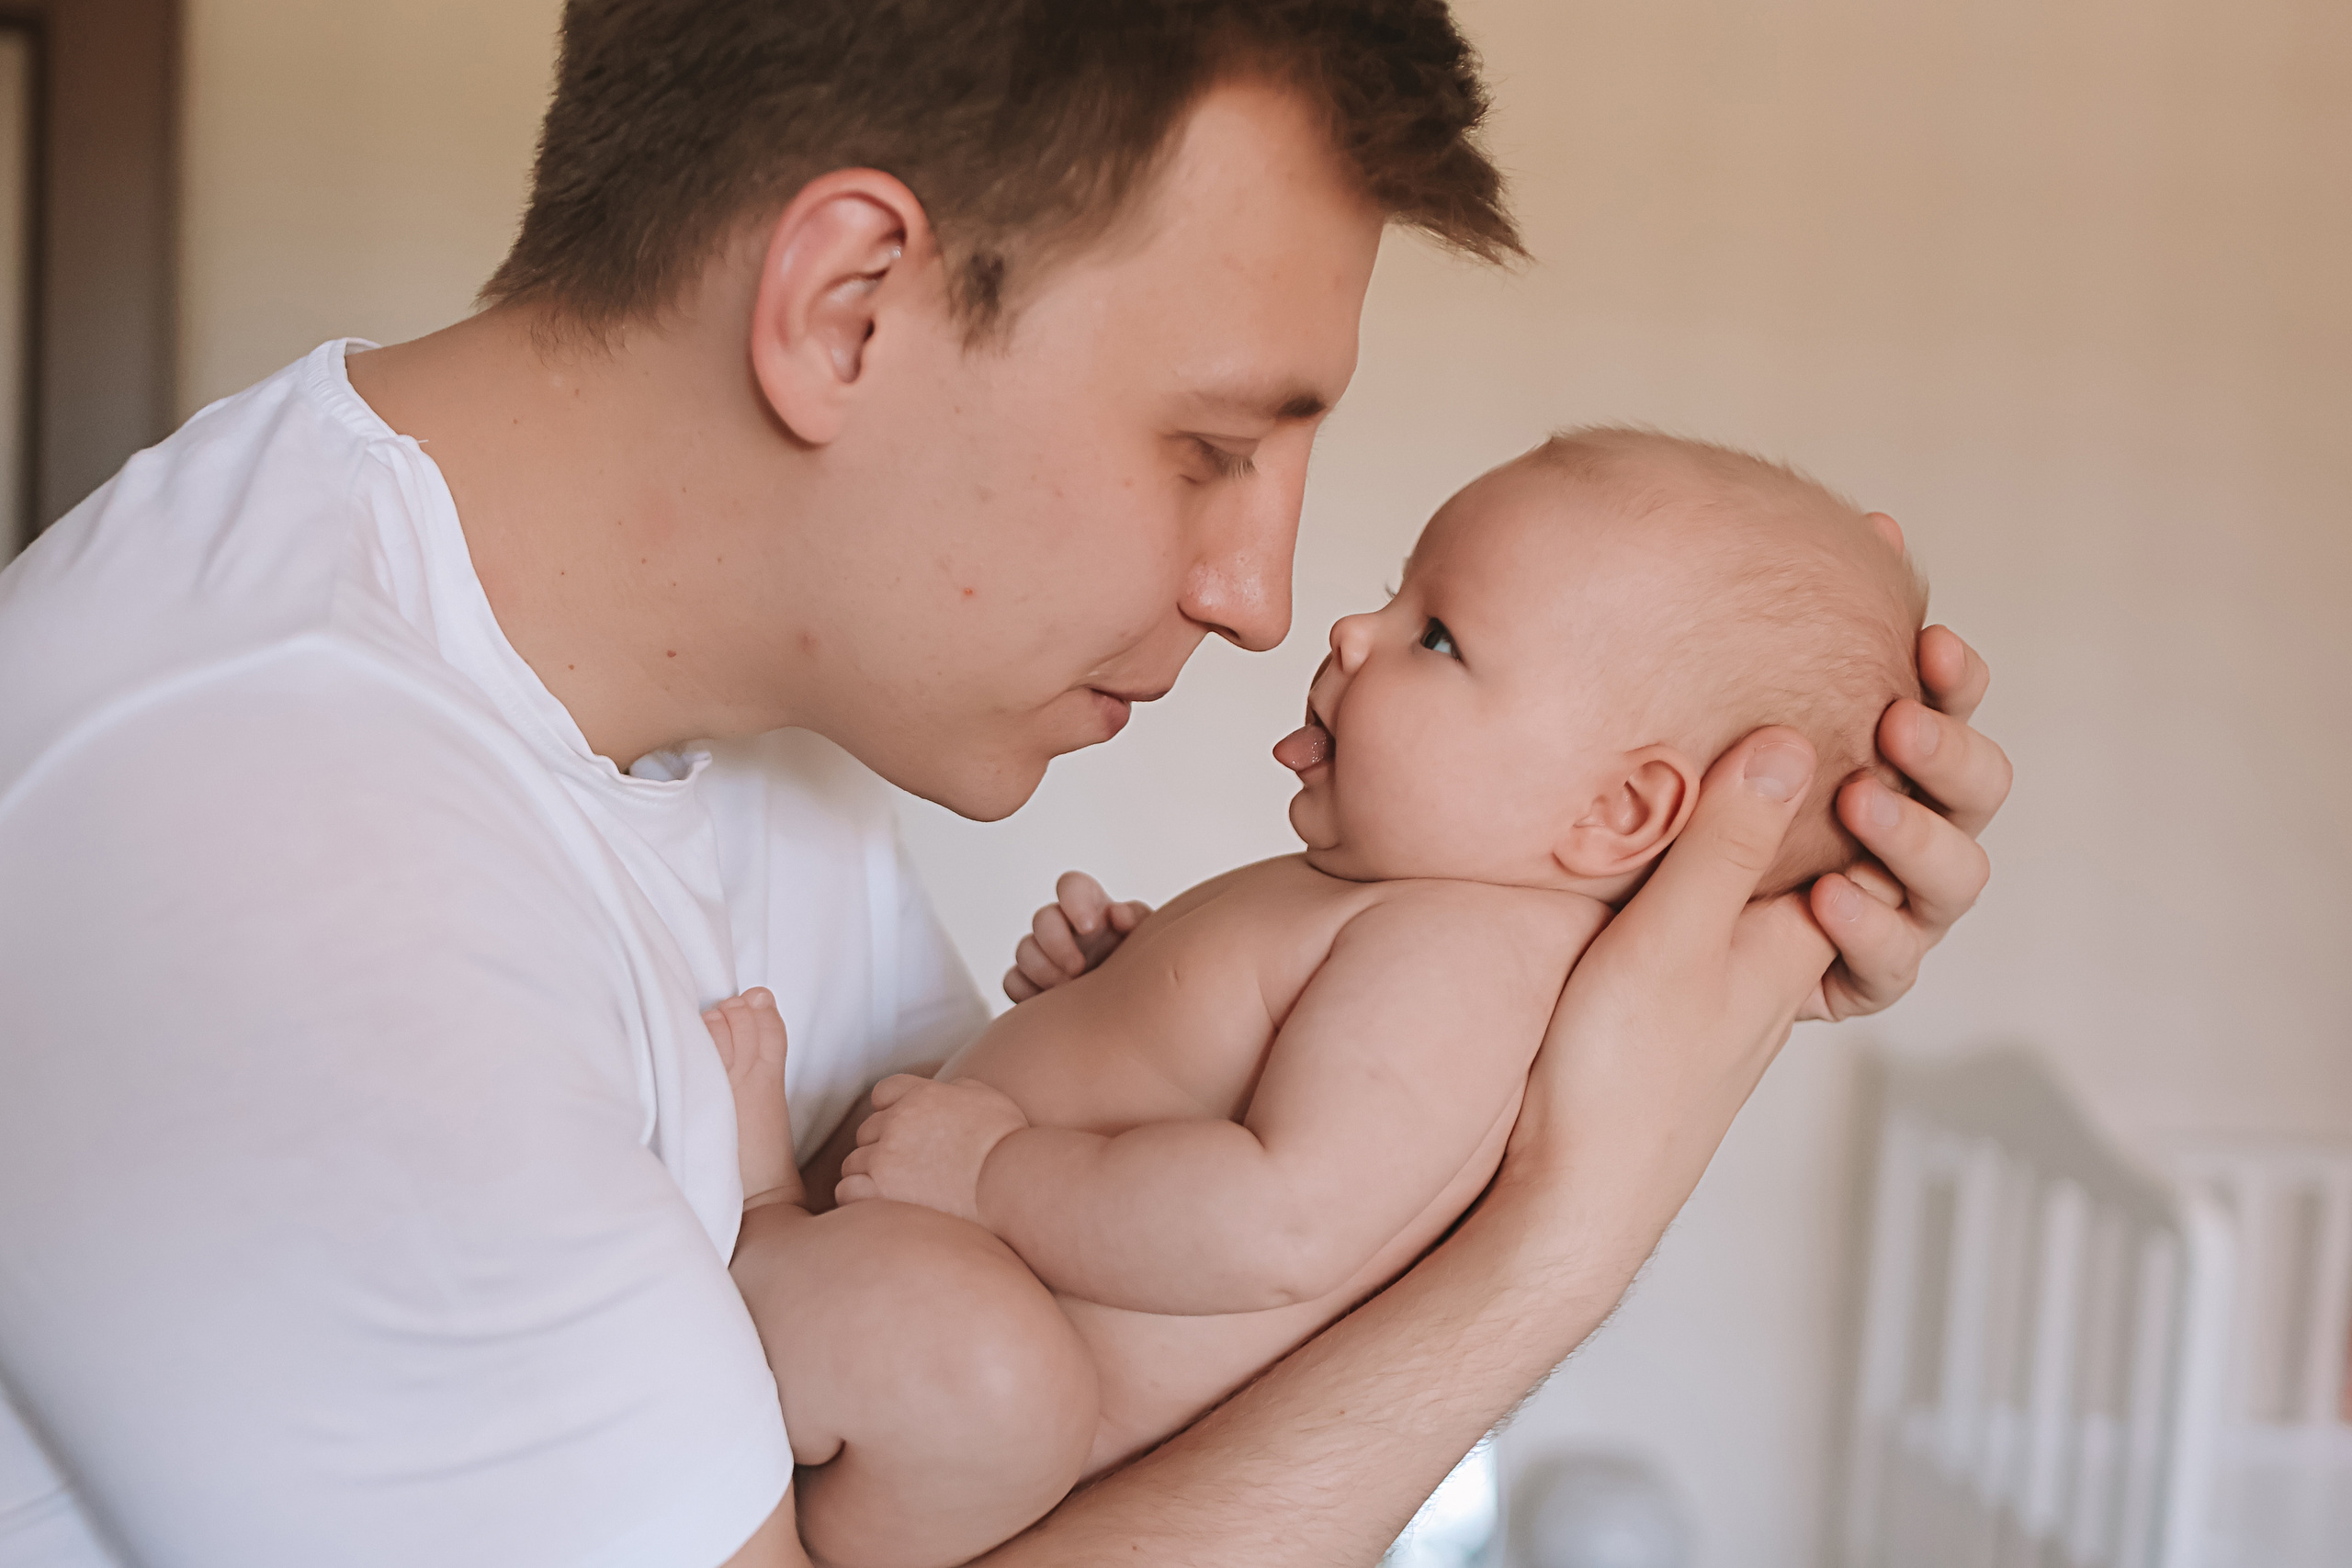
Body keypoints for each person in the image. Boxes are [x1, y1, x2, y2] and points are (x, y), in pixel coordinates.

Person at [0, 5, 2009, 1565]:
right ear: (848, 309)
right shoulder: (277, 855)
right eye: (1209, 448)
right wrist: (1561, 1239)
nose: (1259, 599)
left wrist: (1681, 955)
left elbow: (1054, 1380)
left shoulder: (729, 722)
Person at [703, 428, 1930, 1567]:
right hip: (934, 1265)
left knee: (979, 1371)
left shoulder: (1465, 960)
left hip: (998, 1426)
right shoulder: (1403, 904)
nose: (1350, 631)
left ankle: (765, 1225)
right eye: (1396, 597)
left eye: (1436, 636)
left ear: (1620, 811)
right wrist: (1120, 998)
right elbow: (1230, 1087)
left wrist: (994, 1175)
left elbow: (1275, 1222)